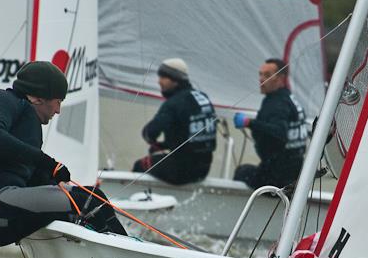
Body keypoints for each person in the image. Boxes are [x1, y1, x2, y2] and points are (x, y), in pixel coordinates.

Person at [0, 61, 126, 248]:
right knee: (86, 201)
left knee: (93, 195)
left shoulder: (25, 121)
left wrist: (51, 179)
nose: (58, 110)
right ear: (38, 98)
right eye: (58, 101)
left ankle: (122, 253)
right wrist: (49, 164)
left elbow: (29, 177)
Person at [131, 58, 216, 185]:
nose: (159, 81)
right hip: (203, 170)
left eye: (164, 77)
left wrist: (154, 143)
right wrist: (164, 145)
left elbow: (150, 133)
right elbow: (191, 138)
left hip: (181, 172)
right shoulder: (202, 97)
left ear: (176, 80)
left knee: (139, 165)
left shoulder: (173, 103)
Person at [232, 58, 308, 190]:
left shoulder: (276, 103)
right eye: (260, 74)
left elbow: (280, 132)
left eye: (267, 75)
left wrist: (248, 122)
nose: (261, 79)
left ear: (281, 78)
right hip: (296, 173)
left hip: (277, 176)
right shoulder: (289, 98)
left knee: (242, 172)